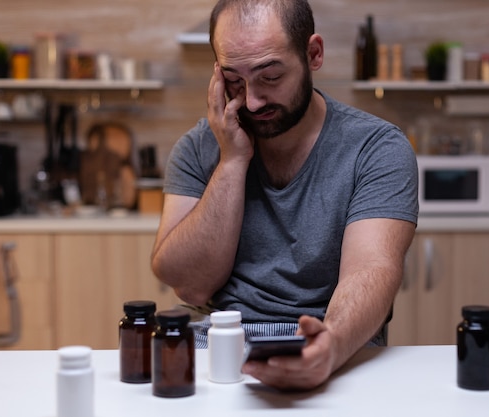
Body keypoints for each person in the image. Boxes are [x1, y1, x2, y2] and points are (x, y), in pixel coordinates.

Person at [151, 0, 418, 391]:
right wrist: (231, 162)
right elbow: (190, 286)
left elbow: (372, 270)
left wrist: (329, 346)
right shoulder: (199, 148)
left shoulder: (377, 149)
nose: (253, 101)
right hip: (222, 343)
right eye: (234, 81)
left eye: (270, 76)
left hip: (337, 346)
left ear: (313, 54)